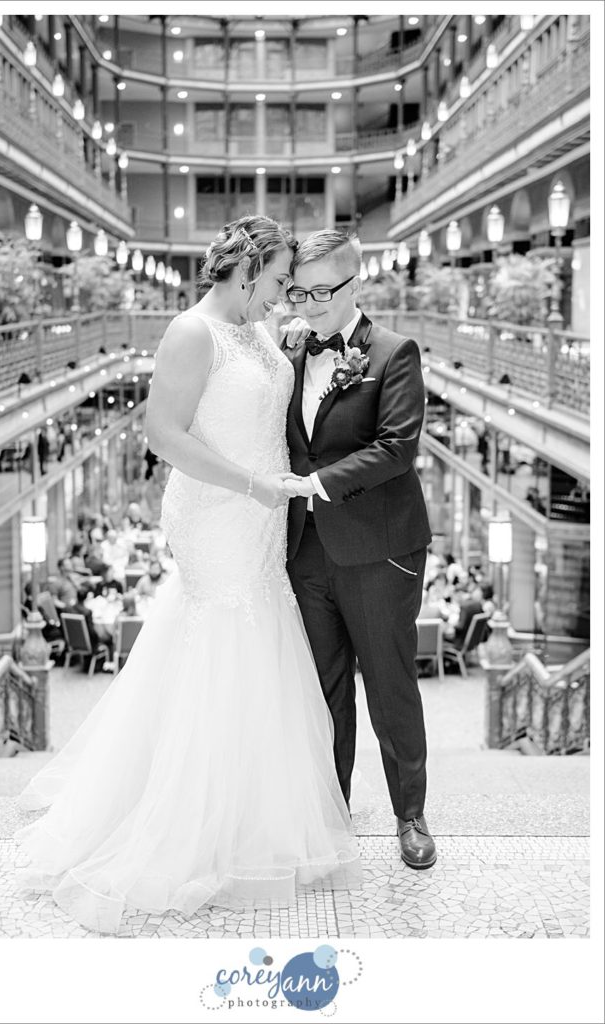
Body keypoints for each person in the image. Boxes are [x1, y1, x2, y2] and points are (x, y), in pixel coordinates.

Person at [15, 215, 360, 934]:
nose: (281, 296)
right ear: (247, 269)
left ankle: (249, 820)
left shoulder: (261, 332)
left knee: (260, 641)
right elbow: (162, 434)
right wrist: (248, 485)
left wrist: (297, 343)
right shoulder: (190, 333)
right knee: (222, 638)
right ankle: (192, 827)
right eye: (275, 283)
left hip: (262, 515)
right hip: (217, 510)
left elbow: (270, 400)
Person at [281, 230, 436, 870]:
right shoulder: (289, 355)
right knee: (324, 692)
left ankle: (411, 816)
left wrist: (316, 483)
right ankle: (332, 814)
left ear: (355, 285)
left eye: (324, 291)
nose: (310, 304)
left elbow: (397, 447)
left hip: (378, 549)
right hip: (305, 551)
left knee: (390, 686)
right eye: (300, 291)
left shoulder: (396, 353)